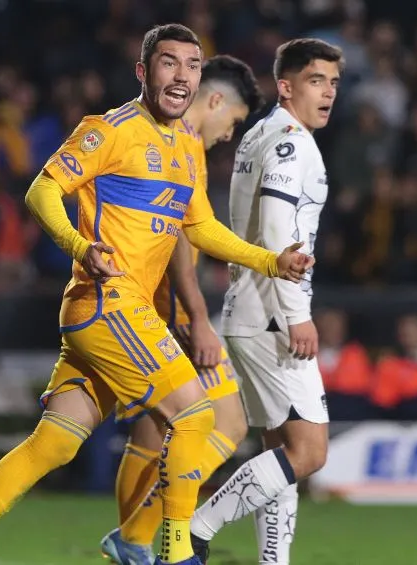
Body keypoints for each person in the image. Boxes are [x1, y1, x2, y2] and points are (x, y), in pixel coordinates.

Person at [0, 24, 313, 565]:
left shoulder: (184, 146)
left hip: (106, 316)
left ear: (200, 79)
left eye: (191, 65)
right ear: (144, 71)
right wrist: (79, 246)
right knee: (196, 416)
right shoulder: (111, 129)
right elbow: (42, 190)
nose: (181, 75)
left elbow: (200, 229)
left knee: (55, 441)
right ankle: (173, 553)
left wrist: (271, 261)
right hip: (109, 304)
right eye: (168, 63)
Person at [99, 54, 266, 565]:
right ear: (214, 100)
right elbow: (176, 243)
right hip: (155, 311)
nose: (229, 135)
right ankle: (137, 539)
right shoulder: (180, 142)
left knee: (154, 431)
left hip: (142, 306)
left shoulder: (173, 139)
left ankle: (135, 543)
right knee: (229, 422)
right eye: (233, 123)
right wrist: (198, 320)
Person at [188, 38, 344, 565]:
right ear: (286, 86)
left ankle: (272, 562)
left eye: (334, 83)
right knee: (310, 452)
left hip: (249, 309)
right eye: (316, 80)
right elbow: (278, 227)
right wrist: (297, 314)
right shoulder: (291, 143)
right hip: (274, 314)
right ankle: (194, 529)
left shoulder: (259, 133)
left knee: (280, 453)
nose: (328, 93)